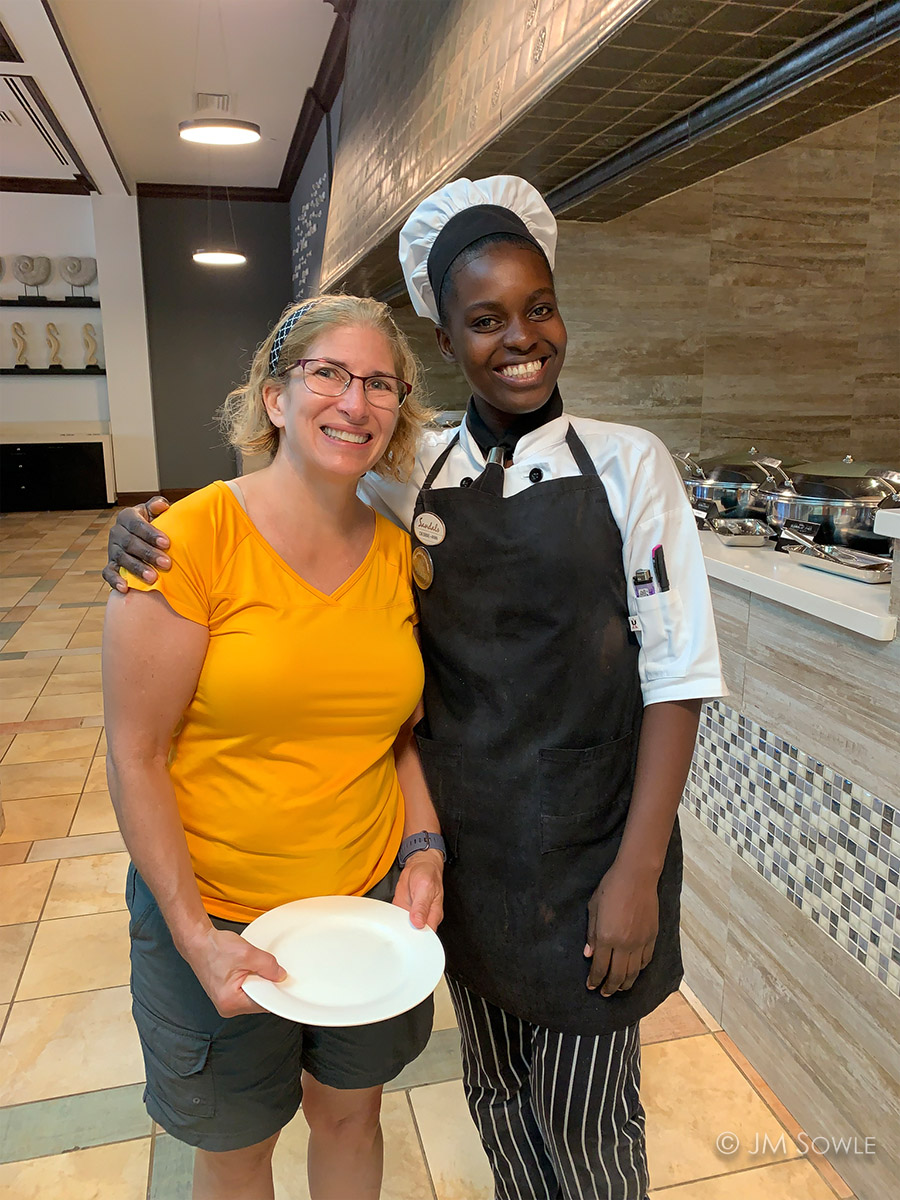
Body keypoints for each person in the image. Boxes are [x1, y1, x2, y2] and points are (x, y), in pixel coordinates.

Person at [104, 177, 725, 1200]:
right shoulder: (411, 474)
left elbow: (678, 673)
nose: (518, 338)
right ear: (447, 342)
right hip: (460, 876)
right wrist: (140, 528)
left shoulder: (629, 465)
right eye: (485, 320)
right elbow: (292, 491)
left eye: (538, 309)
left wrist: (638, 869)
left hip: (585, 857)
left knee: (587, 1121)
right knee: (495, 1096)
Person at [101, 293, 446, 1200]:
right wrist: (193, 938)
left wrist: (424, 845)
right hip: (221, 920)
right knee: (236, 1149)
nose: (356, 401)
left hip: (365, 912)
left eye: (380, 384)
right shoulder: (184, 544)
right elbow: (134, 755)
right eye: (328, 373)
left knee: (350, 1115)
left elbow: (397, 735)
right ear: (275, 398)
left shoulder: (398, 554)